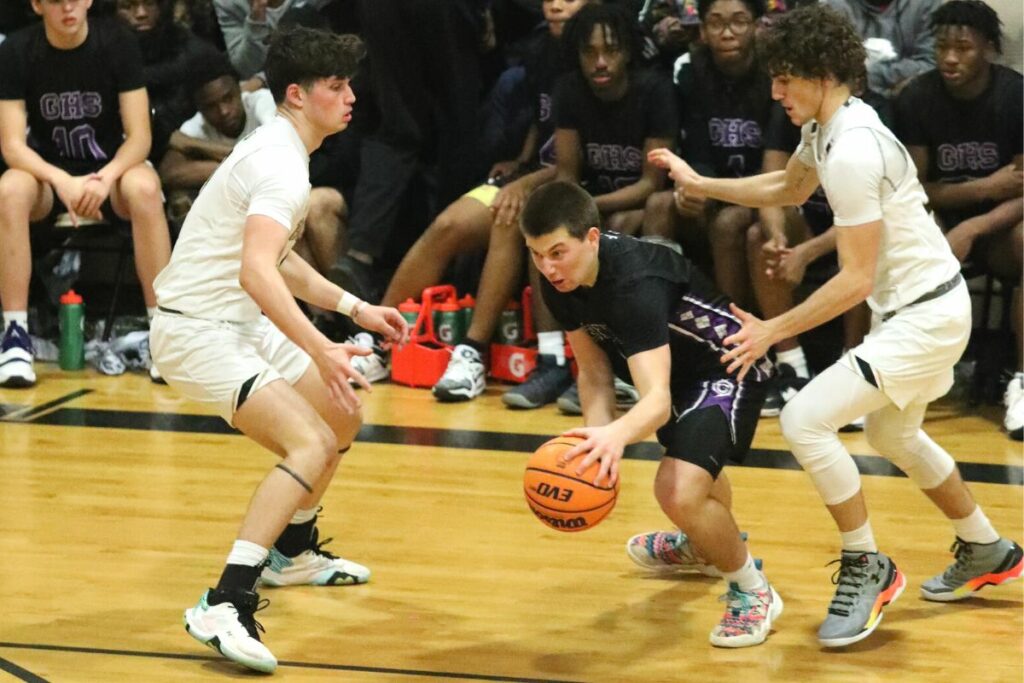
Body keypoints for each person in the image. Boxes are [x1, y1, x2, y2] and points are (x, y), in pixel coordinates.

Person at [650, 4, 1023, 648]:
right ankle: (986, 548)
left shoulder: (852, 148)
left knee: (804, 421)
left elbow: (852, 278)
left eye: (785, 79)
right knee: (891, 433)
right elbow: (790, 190)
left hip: (925, 316)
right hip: (923, 308)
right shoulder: (832, 124)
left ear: (822, 74)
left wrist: (771, 329)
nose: (775, 92)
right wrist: (701, 182)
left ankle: (866, 564)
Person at [149, 27, 407, 673]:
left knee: (342, 414)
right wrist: (324, 347)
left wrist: (354, 309)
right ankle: (225, 600)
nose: (350, 95)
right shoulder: (280, 164)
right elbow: (257, 274)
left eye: (350, 83)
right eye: (336, 85)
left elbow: (279, 258)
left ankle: (293, 552)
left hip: (234, 319)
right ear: (296, 94)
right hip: (197, 330)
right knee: (311, 442)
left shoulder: (283, 149)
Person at [523, 181, 779, 648]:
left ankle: (752, 590)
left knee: (678, 488)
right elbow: (595, 374)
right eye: (537, 254)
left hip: (728, 366)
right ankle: (704, 544)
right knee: (691, 475)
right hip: (673, 372)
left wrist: (616, 438)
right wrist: (595, 446)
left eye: (557, 252)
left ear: (593, 238)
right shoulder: (558, 280)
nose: (547, 267)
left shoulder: (633, 282)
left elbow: (655, 402)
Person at [505, 2, 677, 411]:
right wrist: (570, 214)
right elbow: (566, 171)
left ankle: (632, 365)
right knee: (546, 231)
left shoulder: (655, 90)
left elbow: (651, 182)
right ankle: (552, 361)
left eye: (611, 50)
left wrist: (586, 210)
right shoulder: (568, 90)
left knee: (622, 220)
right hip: (592, 205)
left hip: (635, 205)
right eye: (589, 52)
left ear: (628, 51)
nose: (600, 61)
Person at [0, 0, 173, 388]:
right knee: (9, 189)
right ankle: (15, 335)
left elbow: (140, 137)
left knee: (145, 186)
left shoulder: (117, 42)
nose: (68, 7)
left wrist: (107, 176)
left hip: (109, 177)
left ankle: (164, 331)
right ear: (37, 5)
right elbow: (12, 146)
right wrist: (60, 179)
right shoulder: (15, 50)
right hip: (48, 178)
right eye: (57, 1)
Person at [894, 0, 1022, 441]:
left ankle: (1021, 383)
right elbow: (916, 188)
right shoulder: (916, 98)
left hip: (1000, 229)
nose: (949, 57)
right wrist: (985, 188)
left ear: (987, 47)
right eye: (942, 46)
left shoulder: (1015, 95)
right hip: (934, 226)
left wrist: (974, 226)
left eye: (963, 48)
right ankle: (887, 375)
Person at [159, 51, 347, 276]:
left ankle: (351, 305)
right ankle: (321, 312)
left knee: (300, 212)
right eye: (211, 106)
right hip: (265, 212)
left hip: (314, 185)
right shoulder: (195, 127)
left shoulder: (263, 102)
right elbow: (170, 173)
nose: (224, 111)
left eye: (228, 98)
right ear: (199, 108)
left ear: (240, 89)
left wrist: (201, 148)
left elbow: (275, 153)